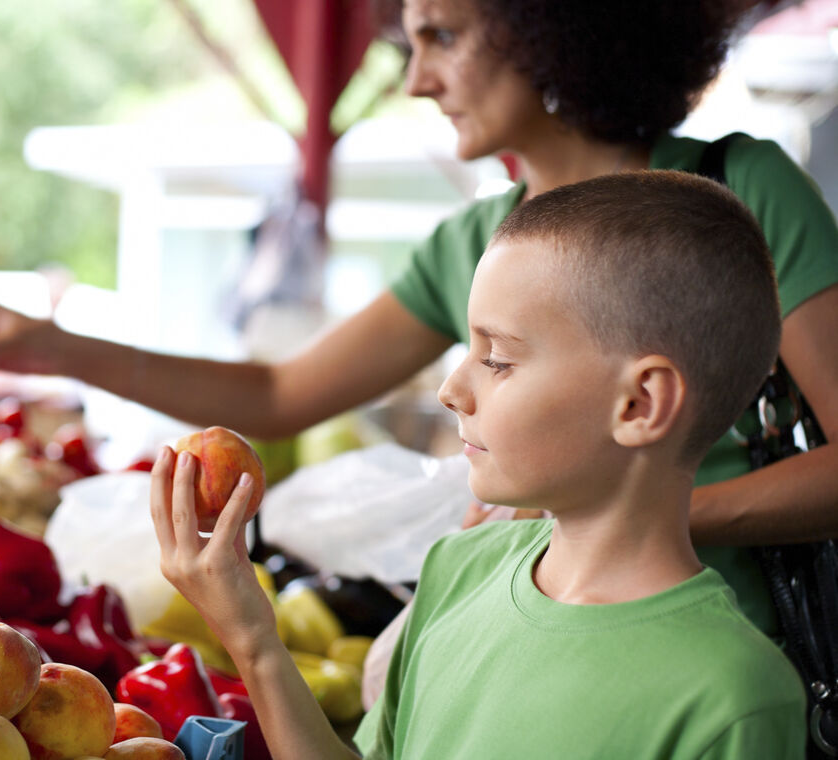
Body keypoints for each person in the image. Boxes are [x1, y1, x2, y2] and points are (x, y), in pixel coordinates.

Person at [0, 0, 838, 634]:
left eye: (441, 36)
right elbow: (282, 394)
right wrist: (56, 347)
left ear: (551, 27)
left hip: (714, 656)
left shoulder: (744, 190)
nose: (416, 80)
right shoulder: (477, 239)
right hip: (530, 634)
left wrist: (646, 517)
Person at [151, 170, 806, 758]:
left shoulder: (735, 699)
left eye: (497, 358)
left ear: (639, 403)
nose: (450, 390)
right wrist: (254, 639)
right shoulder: (458, 569)